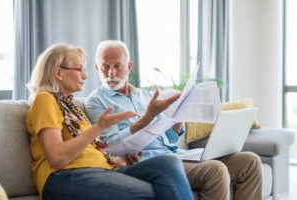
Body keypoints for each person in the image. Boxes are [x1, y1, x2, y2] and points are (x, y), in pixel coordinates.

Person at [84, 40, 263, 200]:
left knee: (250, 162)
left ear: (129, 66)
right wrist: (146, 118)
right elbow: (109, 144)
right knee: (215, 170)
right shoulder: (95, 101)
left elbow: (168, 138)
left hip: (175, 155)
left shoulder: (145, 96)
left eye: (117, 66)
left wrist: (177, 121)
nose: (111, 73)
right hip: (148, 162)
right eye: (105, 67)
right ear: (97, 68)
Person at [26, 43, 194, 200]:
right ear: (58, 73)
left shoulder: (72, 107)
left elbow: (91, 149)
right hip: (64, 175)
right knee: (155, 193)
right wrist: (99, 127)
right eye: (79, 69)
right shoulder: (45, 100)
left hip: (101, 170)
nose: (85, 75)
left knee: (168, 162)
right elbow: (56, 157)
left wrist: (120, 160)